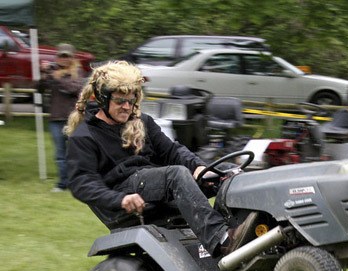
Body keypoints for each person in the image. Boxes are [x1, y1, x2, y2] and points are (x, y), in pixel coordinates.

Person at [64, 61, 257, 257]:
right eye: (120, 101)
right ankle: (222, 240)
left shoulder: (142, 122)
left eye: (131, 101)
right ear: (102, 99)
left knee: (226, 171)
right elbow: (82, 183)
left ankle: (250, 228)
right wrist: (120, 199)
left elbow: (172, 151)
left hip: (154, 189)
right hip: (122, 200)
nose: (127, 107)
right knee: (176, 174)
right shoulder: (84, 136)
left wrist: (199, 167)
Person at [38, 43, 85, 192]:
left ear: (72, 57)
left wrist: (55, 76)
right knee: (60, 154)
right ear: (56, 56)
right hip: (55, 118)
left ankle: (78, 183)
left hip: (73, 118)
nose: (63, 59)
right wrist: (43, 74)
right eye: (61, 56)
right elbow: (39, 89)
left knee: (74, 152)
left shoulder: (77, 71)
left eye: (66, 56)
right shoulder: (53, 72)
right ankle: (63, 183)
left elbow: (72, 88)